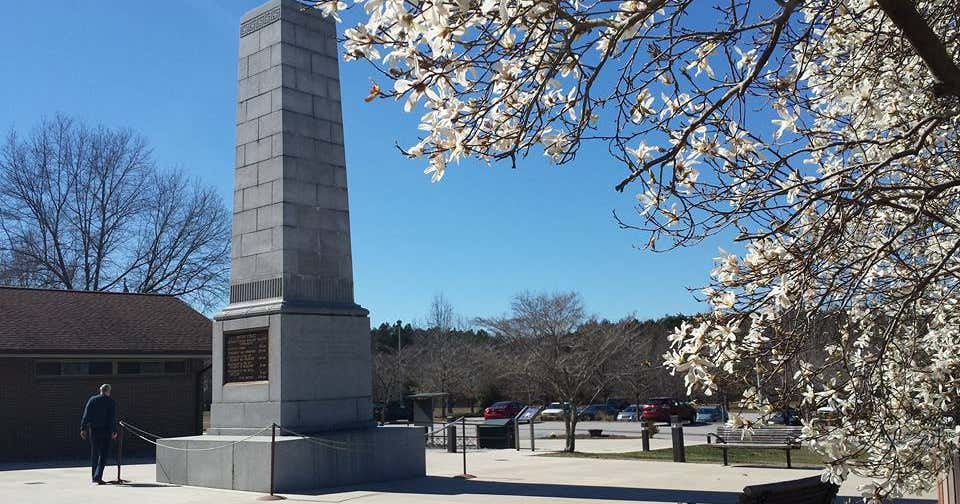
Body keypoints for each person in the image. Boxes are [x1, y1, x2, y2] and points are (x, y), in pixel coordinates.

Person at [80, 384, 117, 485]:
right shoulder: (111, 401)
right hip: (106, 430)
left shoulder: (92, 400)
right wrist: (114, 431)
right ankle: (98, 476)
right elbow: (112, 418)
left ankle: (94, 476)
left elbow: (86, 415)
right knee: (104, 454)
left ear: (100, 390)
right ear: (108, 391)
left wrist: (83, 429)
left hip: (94, 430)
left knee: (95, 453)